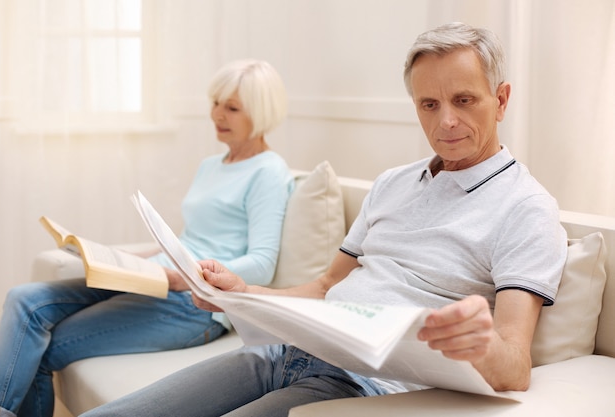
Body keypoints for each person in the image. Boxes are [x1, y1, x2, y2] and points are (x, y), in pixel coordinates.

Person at [80, 22, 568, 417]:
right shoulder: (393, 183)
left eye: (464, 100)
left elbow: (514, 366)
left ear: (500, 99)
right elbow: (323, 287)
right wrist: (241, 294)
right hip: (287, 349)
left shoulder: (525, 207)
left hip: (359, 383)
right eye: (429, 104)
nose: (445, 122)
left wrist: (476, 343)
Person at [0, 59, 294, 417]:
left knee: (42, 348)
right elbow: (191, 238)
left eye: (232, 108)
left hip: (194, 305)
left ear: (261, 112)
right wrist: (114, 256)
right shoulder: (211, 165)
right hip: (154, 279)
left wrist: (190, 276)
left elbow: (262, 262)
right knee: (24, 298)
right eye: (215, 102)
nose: (217, 115)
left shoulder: (269, 172)